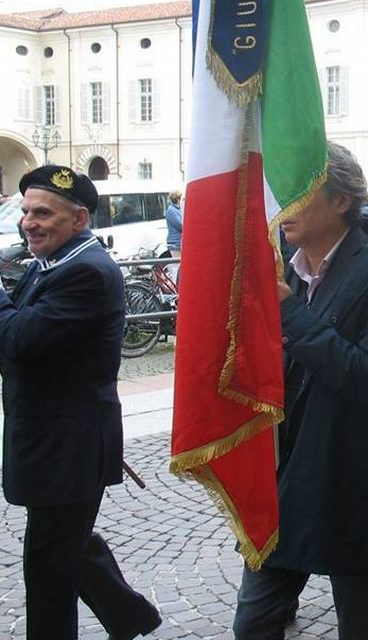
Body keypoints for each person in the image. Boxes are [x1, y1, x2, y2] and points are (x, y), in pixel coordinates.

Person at [232, 144, 368, 640]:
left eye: (298, 190)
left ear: (341, 201)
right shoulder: (284, 262)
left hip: (351, 469)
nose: (284, 204)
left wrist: (289, 314)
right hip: (287, 470)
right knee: (253, 623)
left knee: (358, 624)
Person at [1, 165, 161, 639]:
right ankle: (131, 615)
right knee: (66, 544)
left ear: (80, 219)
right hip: (55, 441)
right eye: (26, 210)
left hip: (67, 447)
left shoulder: (86, 272)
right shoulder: (56, 262)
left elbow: (19, 338)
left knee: (49, 567)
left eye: (43, 213)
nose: (29, 221)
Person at [165, 189, 183, 257]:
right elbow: (180, 225)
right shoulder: (172, 210)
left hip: (178, 242)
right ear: (178, 199)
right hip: (174, 243)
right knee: (177, 264)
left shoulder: (177, 209)